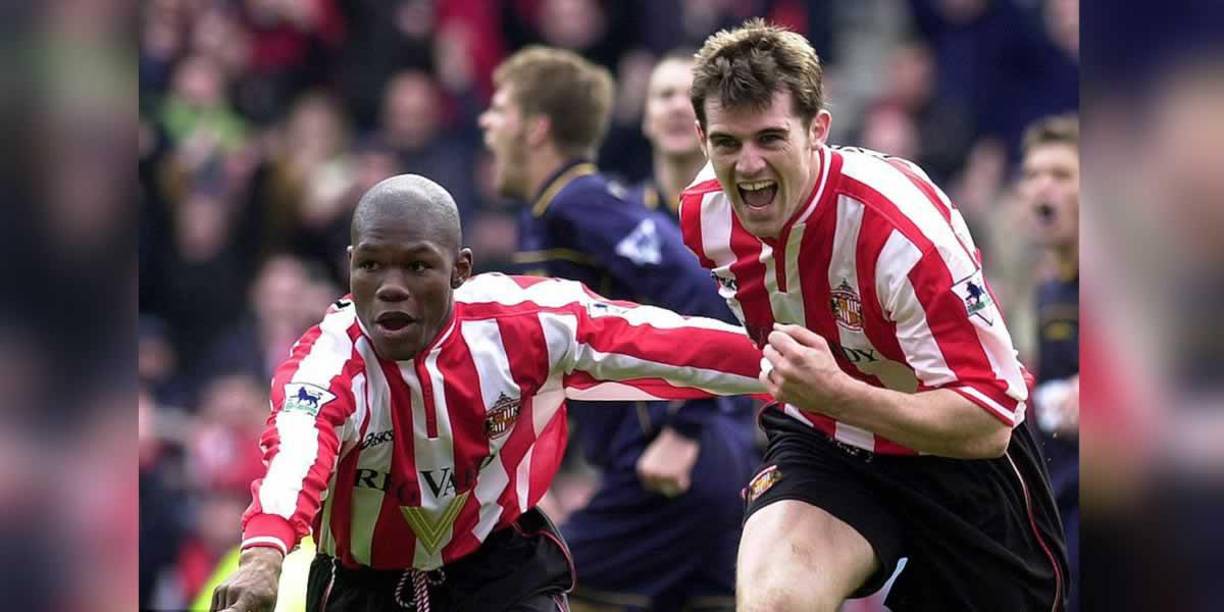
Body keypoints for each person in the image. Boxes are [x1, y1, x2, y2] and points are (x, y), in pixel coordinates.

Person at [208, 174, 765, 612]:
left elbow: (673, 344)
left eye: (418, 265)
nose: (392, 287)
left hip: (499, 566)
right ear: (350, 267)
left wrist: (797, 362)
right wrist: (264, 555)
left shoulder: (529, 326)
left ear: (460, 269)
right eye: (372, 265)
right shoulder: (327, 362)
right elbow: (294, 458)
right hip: (360, 587)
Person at [677, 20, 1068, 611]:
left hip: (958, 460)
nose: (749, 166)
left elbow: (989, 423)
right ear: (703, 137)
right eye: (728, 143)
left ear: (818, 129)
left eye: (770, 138)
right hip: (828, 443)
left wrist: (837, 391)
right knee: (776, 601)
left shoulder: (901, 235)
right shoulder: (704, 216)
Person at [479, 47, 758, 611]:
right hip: (681, 471)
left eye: (500, 109)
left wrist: (689, 429)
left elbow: (707, 294)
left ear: (535, 129)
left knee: (527, 590)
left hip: (674, 469)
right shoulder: (554, 213)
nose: (486, 122)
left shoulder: (580, 203)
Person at [1019, 114, 1080, 611]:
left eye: (1061, 175)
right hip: (1060, 509)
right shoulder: (1046, 289)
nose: (1044, 187)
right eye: (1035, 174)